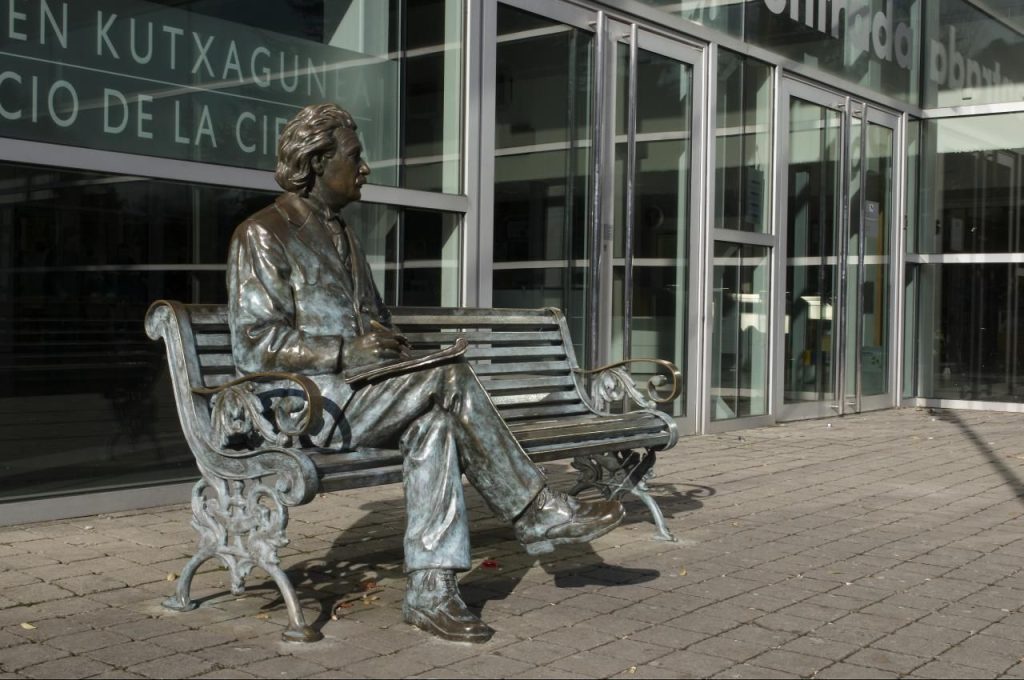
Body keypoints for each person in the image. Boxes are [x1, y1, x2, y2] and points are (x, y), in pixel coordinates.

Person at [227, 103, 625, 643]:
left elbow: (372, 325)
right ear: (318, 161)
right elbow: (256, 345)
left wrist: (391, 345)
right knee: (451, 378)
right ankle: (535, 511)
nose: (364, 168)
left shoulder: (341, 234)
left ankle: (431, 591)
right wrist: (349, 350)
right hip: (310, 405)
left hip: (364, 392)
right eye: (355, 156)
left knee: (434, 426)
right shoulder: (265, 233)